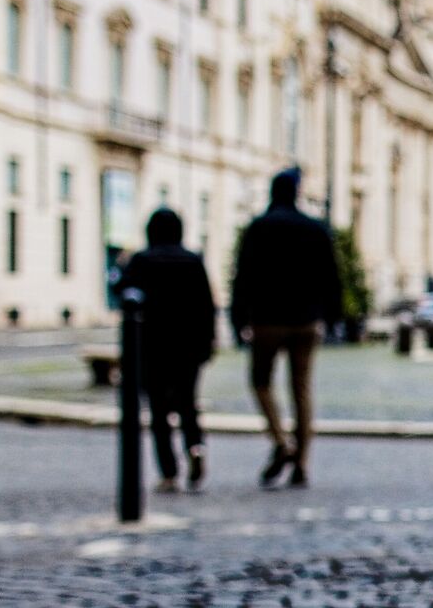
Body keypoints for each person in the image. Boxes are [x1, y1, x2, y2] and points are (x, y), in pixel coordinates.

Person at [231, 167, 340, 488]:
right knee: (302, 389)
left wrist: (238, 319)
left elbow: (243, 277)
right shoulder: (314, 229)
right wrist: (332, 318)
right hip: (306, 320)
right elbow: (330, 276)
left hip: (267, 319)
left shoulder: (258, 228)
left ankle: (281, 441)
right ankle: (302, 461)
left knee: (260, 383)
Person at [115, 208, 216, 493]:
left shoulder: (142, 260)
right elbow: (206, 305)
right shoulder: (193, 260)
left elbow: (123, 293)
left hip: (153, 347)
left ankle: (169, 472)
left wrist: (123, 266)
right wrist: (208, 342)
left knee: (159, 410)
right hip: (188, 345)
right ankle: (195, 448)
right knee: (188, 403)